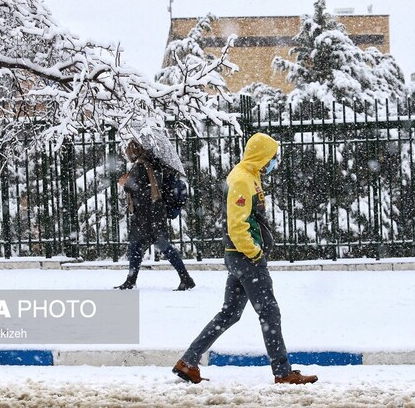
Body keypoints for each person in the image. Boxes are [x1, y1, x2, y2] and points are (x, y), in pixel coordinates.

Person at [172, 133, 318, 385]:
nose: (274, 161)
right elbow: (237, 224)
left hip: (239, 258)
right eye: (272, 156)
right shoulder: (242, 179)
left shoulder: (250, 177)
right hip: (246, 258)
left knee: (229, 313)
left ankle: (188, 362)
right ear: (261, 155)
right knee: (269, 313)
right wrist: (254, 252)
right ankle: (283, 373)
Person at [115, 140, 195, 291]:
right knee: (148, 247)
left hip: (145, 214)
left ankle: (131, 280)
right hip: (155, 212)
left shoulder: (141, 166)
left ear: (135, 151)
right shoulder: (155, 164)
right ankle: (185, 278)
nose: (128, 153)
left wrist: (124, 183)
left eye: (129, 150)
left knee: (140, 247)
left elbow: (140, 191)